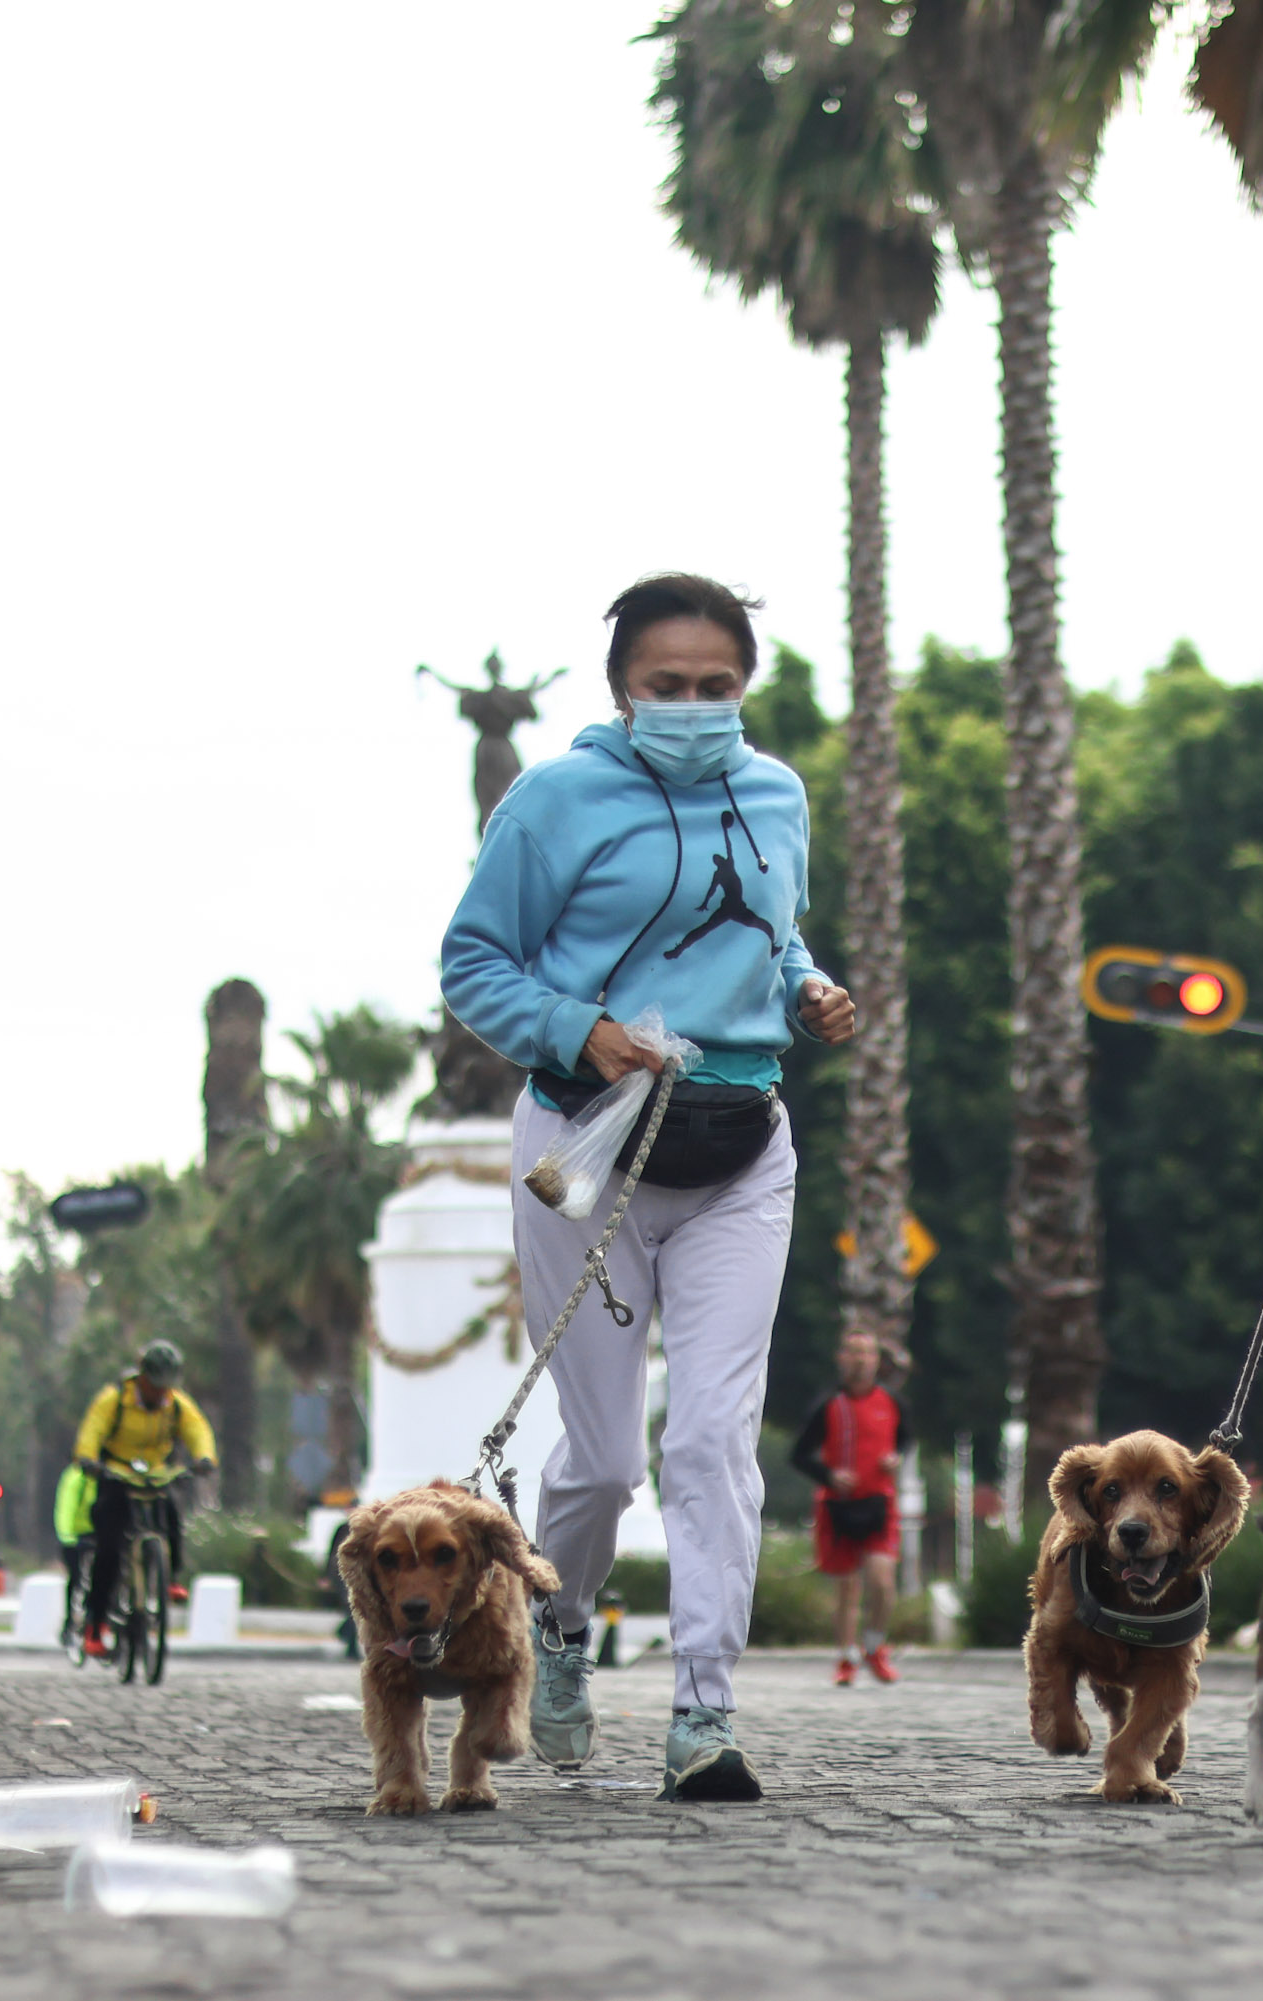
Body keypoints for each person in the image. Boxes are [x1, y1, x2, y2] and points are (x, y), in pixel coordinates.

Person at [441, 571, 857, 1803]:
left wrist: (806, 990)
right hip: (588, 1151)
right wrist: (581, 1029)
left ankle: (704, 1715)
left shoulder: (776, 793)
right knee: (609, 1458)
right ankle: (561, 1630)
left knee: (717, 1439)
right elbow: (473, 959)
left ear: (745, 688)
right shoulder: (558, 801)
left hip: (740, 1149)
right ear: (622, 689)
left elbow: (771, 937)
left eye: (715, 688)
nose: (691, 706)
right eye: (665, 688)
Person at [71, 1339, 217, 1659]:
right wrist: (87, 1458)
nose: (160, 1393)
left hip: (155, 1474)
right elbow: (91, 1431)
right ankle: (95, 1626)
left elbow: (197, 1430)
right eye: (155, 1385)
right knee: (108, 1547)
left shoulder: (176, 1404)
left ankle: (171, 1576)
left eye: (166, 1386)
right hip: (117, 1475)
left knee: (172, 1513)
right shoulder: (114, 1400)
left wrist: (204, 1457)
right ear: (141, 1377)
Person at [790, 1329, 909, 1687]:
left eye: (867, 1353)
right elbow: (799, 1455)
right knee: (846, 1589)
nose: (860, 1360)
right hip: (837, 1507)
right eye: (853, 1352)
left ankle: (874, 1645)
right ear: (841, 1358)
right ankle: (845, 1657)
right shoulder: (828, 1405)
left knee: (882, 1581)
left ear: (876, 1360)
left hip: (879, 1504)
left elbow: (905, 1440)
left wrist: (895, 1458)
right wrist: (829, 1475)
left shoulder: (892, 1402)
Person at [52, 1455, 98, 1648]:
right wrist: (69, 1538)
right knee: (76, 1579)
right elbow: (66, 1507)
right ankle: (70, 1621)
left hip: (101, 1533)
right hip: (77, 1535)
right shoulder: (75, 1475)